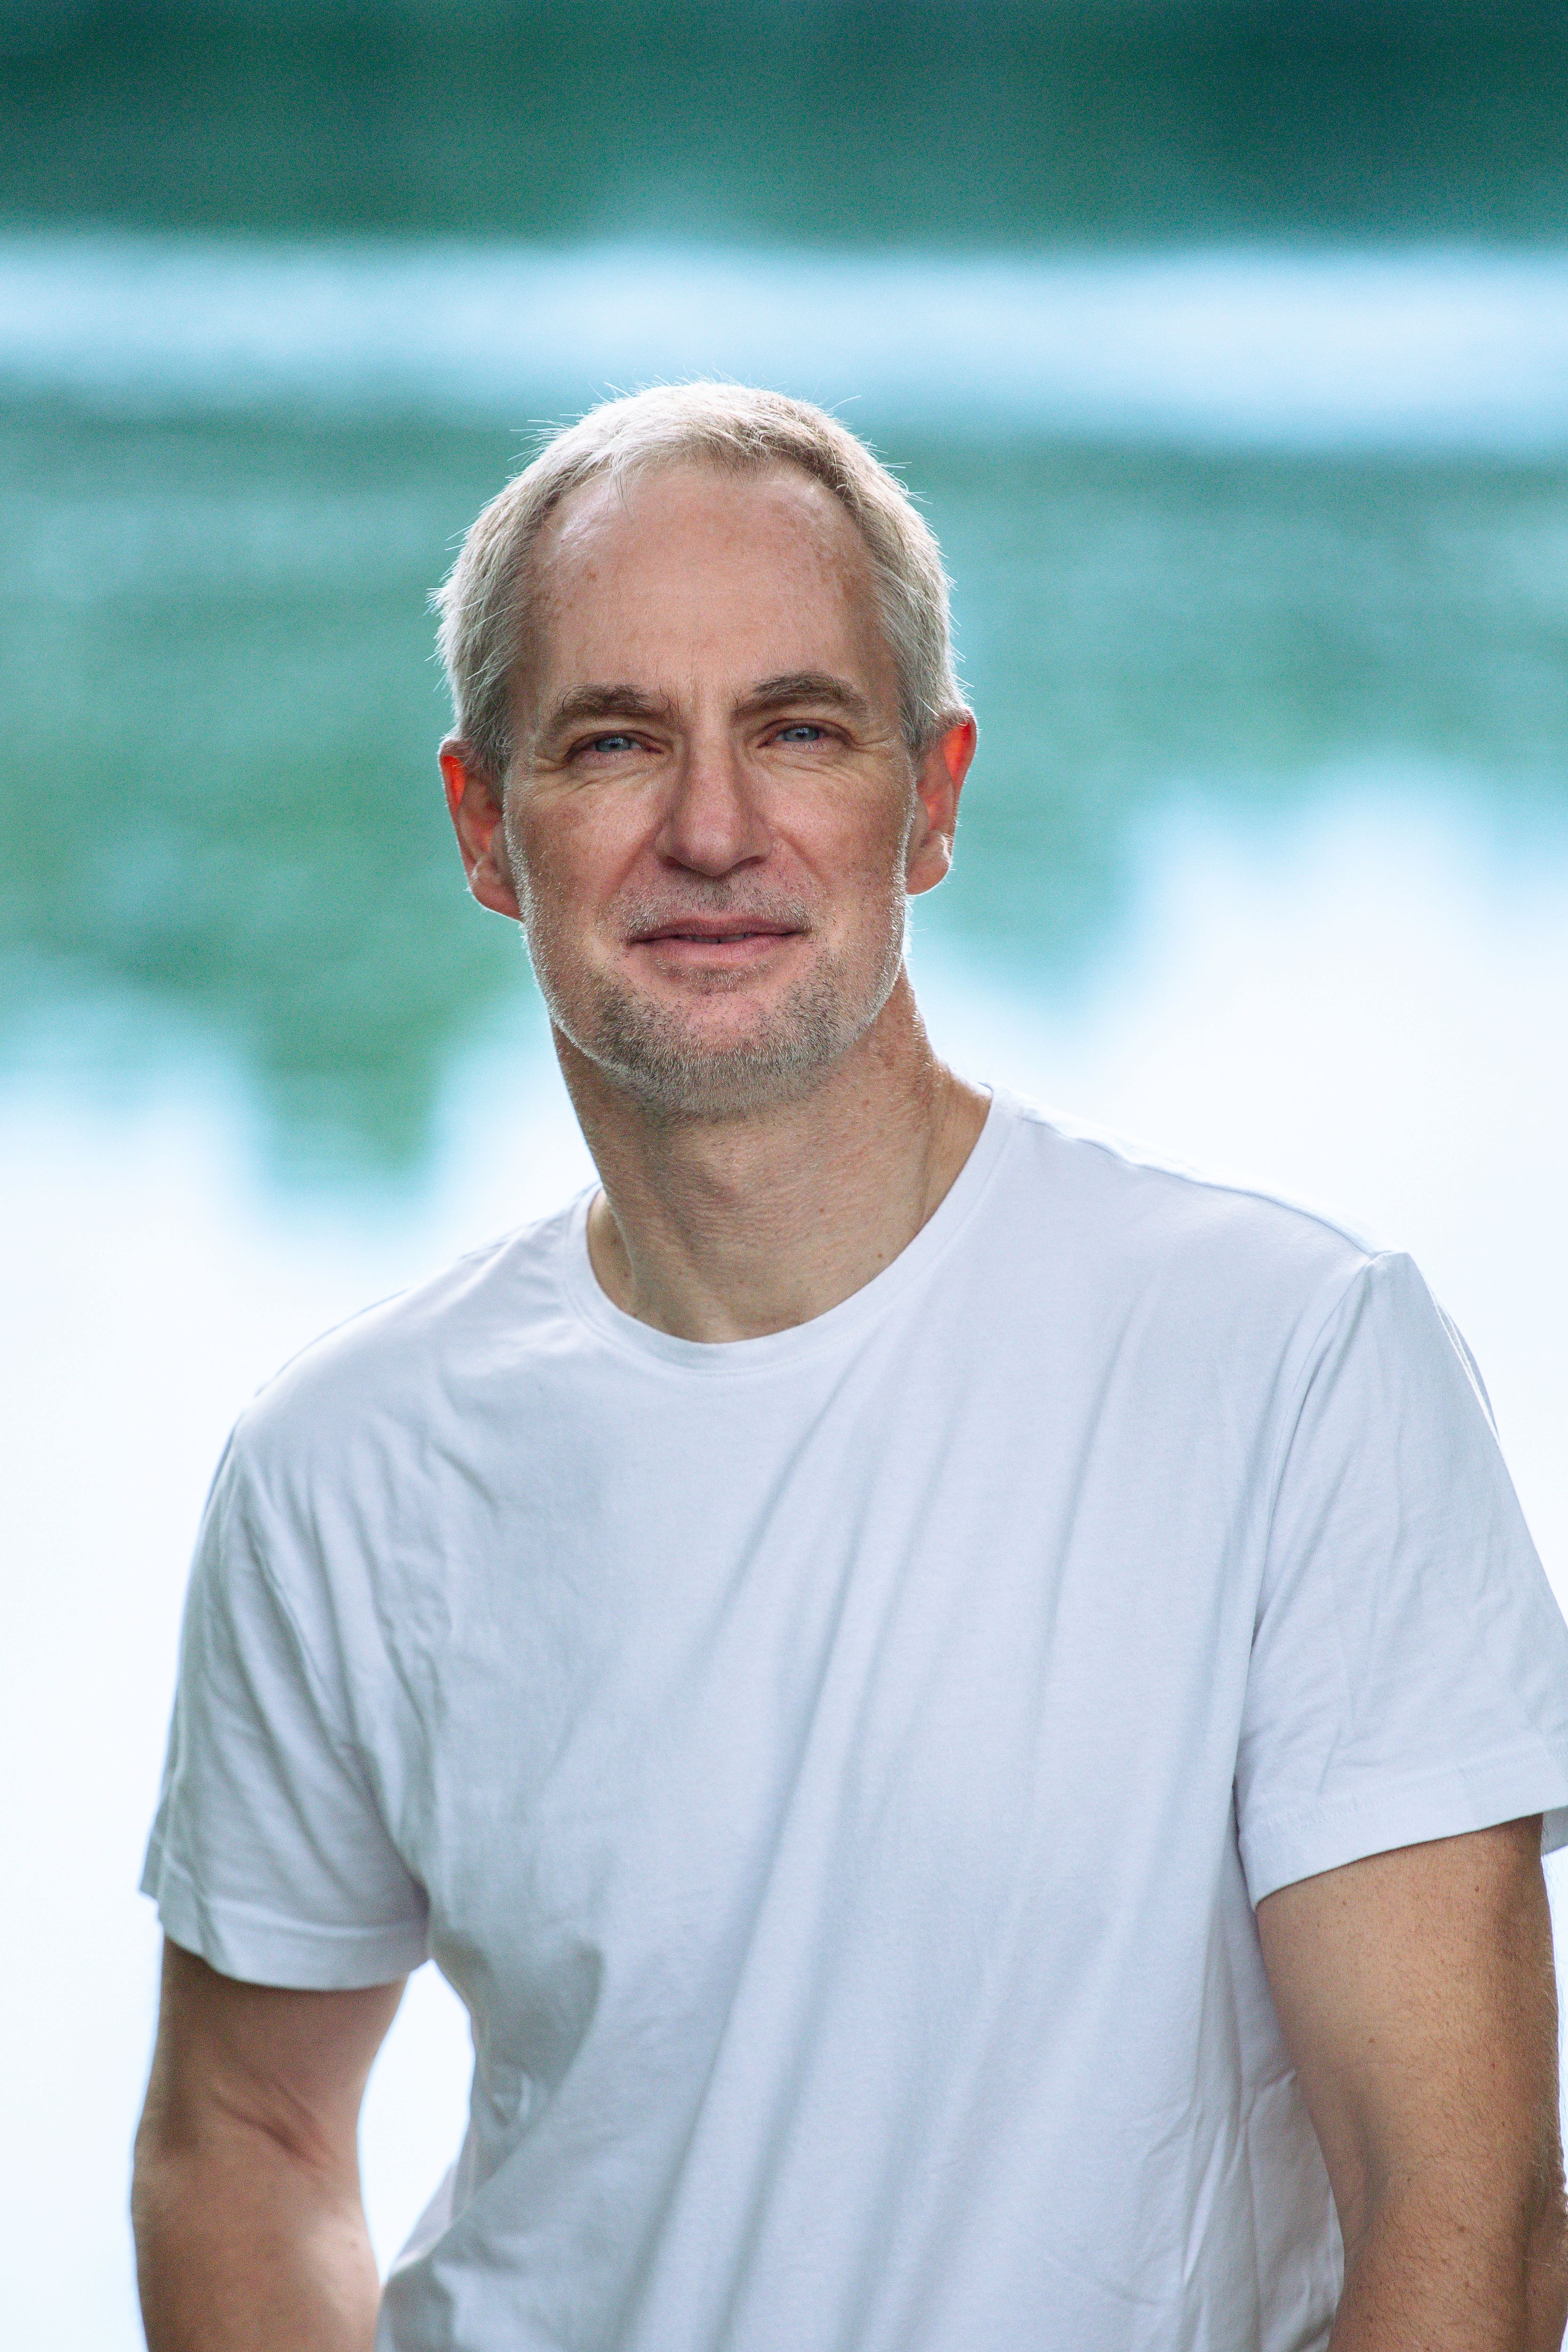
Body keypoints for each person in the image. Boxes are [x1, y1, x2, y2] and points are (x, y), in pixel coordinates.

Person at [132, 382, 1568, 2352]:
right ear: (483, 824)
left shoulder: (1292, 1371)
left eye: (798, 730)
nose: (711, 830)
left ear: (935, 795)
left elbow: (1463, 2224)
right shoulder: (342, 1460)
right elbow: (243, 2135)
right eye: (614, 740)